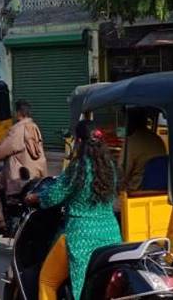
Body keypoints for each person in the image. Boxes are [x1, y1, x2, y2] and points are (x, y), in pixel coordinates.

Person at [25, 119, 122, 300]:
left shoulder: (78, 168)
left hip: (80, 237)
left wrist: (35, 197)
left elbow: (54, 195)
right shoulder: (110, 167)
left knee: (47, 281)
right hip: (111, 236)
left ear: (78, 141)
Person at [0, 100, 47, 231]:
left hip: (19, 176)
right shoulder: (34, 127)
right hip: (36, 173)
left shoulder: (18, 129)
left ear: (17, 113)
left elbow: (1, 150)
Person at [122, 108, 167, 191]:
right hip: (161, 190)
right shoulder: (157, 139)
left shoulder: (132, 141)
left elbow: (122, 172)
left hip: (137, 191)